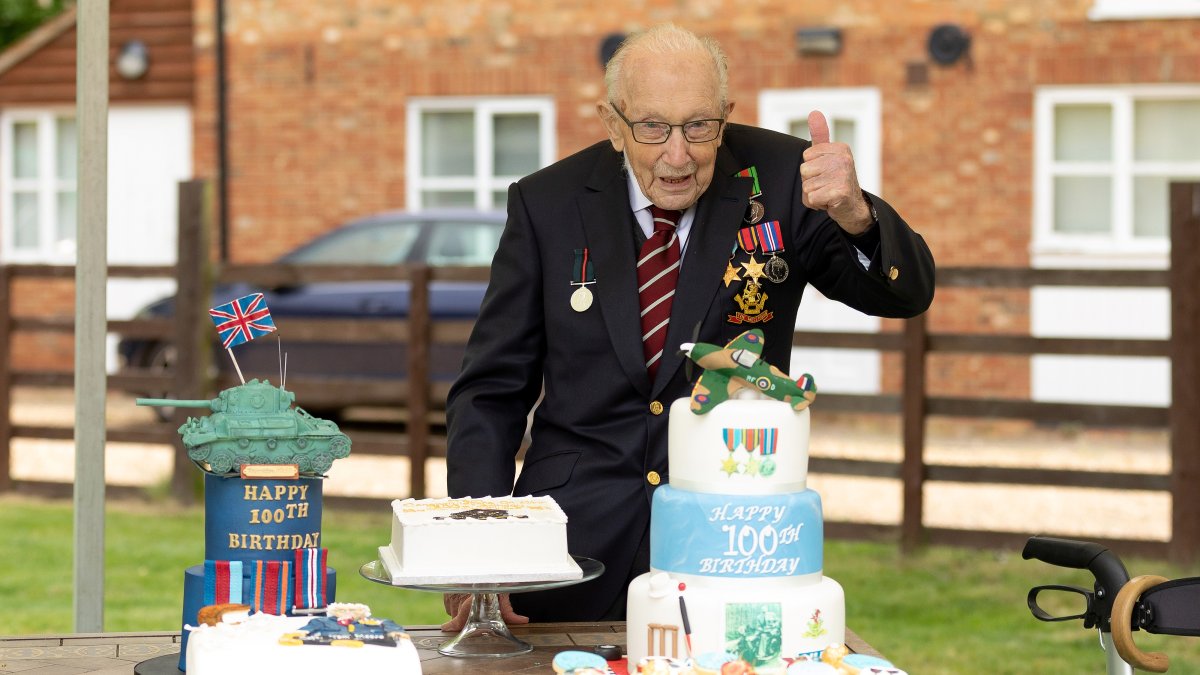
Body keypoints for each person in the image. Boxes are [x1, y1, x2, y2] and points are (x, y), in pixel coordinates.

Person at [441, 23, 934, 627]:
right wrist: (475, 553)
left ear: (725, 117)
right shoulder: (547, 203)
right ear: (613, 124)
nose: (678, 155)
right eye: (653, 127)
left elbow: (905, 295)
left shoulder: (784, 179)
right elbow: (491, 390)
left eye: (700, 127)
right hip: (570, 545)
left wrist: (856, 214)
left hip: (730, 544)